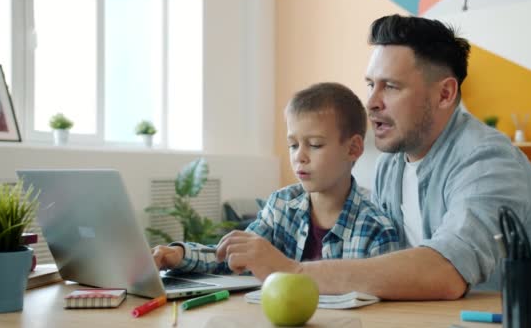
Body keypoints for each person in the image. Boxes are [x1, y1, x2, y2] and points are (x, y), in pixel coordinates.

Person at [215, 14, 531, 299]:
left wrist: (294, 271)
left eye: (391, 86)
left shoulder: (487, 160)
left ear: (445, 94)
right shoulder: (392, 162)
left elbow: (445, 273)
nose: (371, 101)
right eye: (371, 84)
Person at [152, 82, 400, 274]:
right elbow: (231, 257)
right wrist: (179, 255)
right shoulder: (280, 206)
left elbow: (382, 308)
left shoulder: (376, 230)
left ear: (353, 149)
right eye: (293, 145)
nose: (299, 157)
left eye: (314, 145)